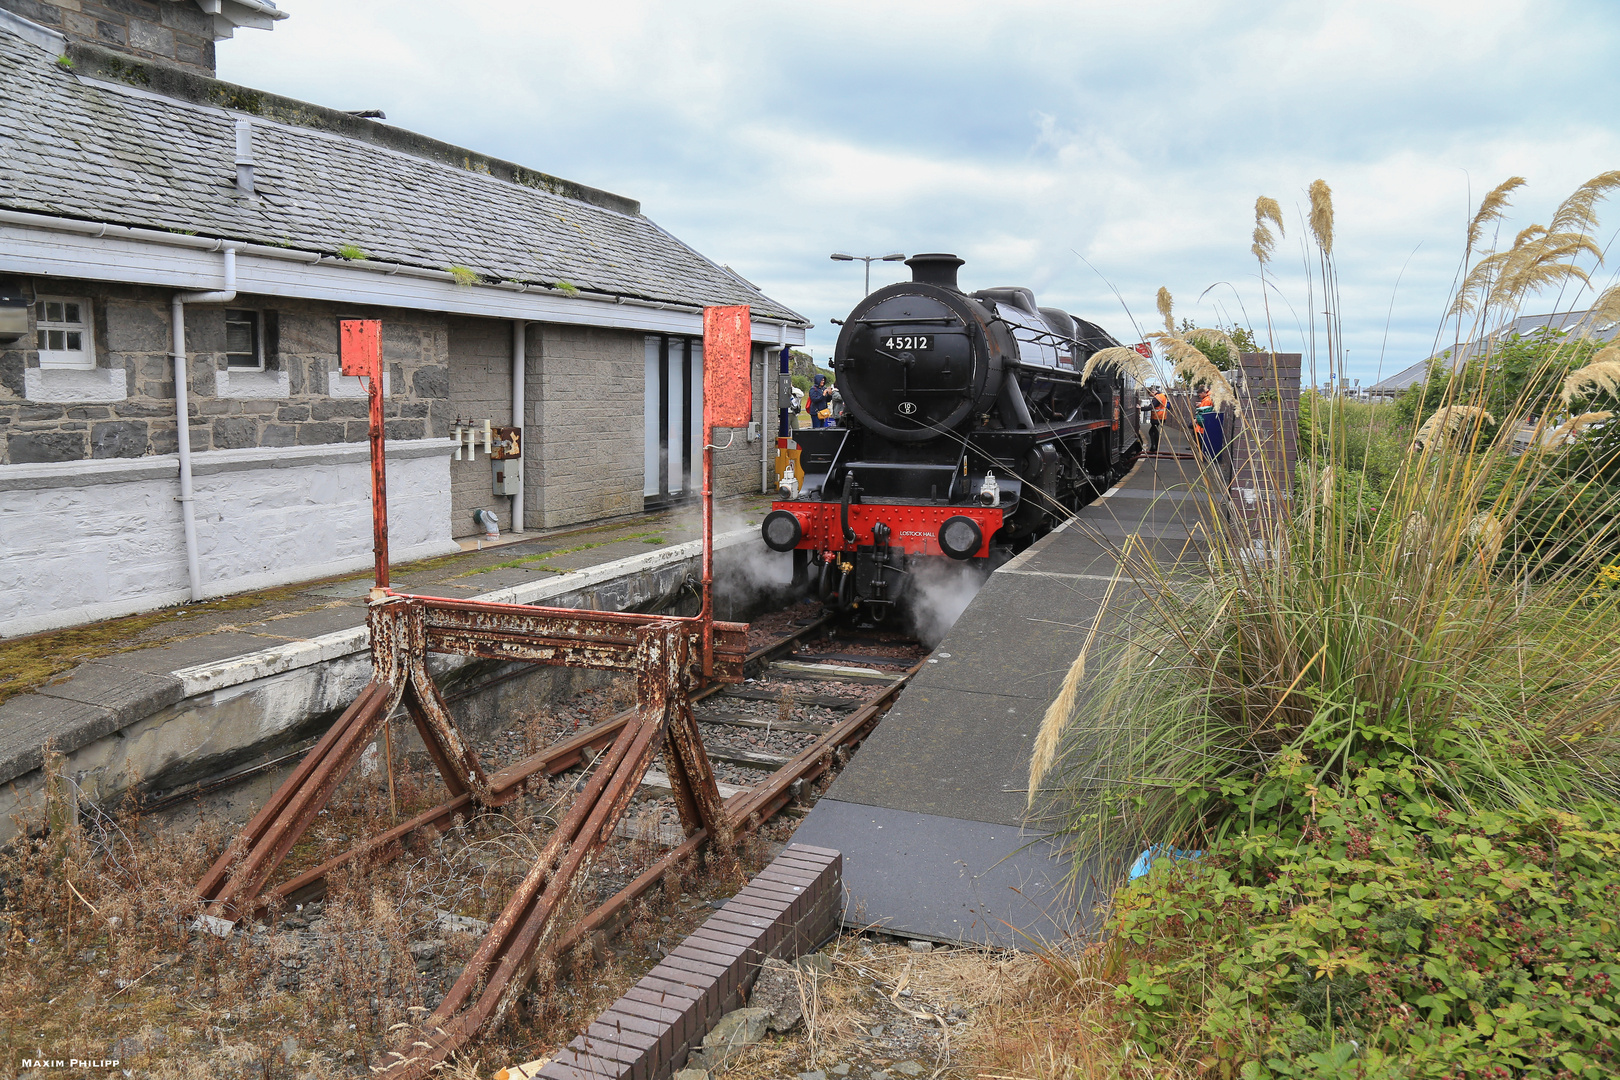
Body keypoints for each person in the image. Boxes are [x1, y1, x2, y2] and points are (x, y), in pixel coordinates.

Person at [1148, 386, 1169, 453]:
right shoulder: (1162, 396)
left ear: (1152, 392)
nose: (1150, 396)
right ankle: (1155, 447)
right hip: (1162, 417)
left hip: (1157, 417)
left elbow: (1151, 407)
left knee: (1152, 432)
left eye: (1150, 394)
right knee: (1155, 431)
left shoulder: (1157, 398)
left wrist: (1140, 408)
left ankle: (1154, 446)